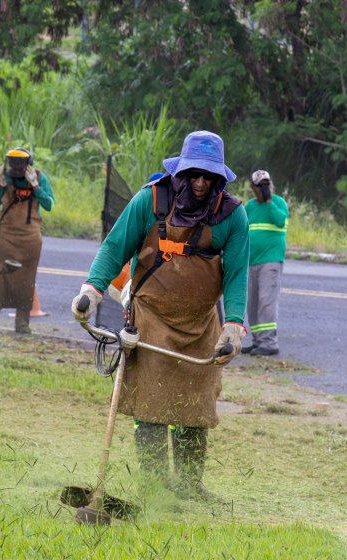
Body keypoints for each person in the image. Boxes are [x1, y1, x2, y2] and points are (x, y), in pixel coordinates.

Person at [71, 131, 249, 498]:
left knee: (195, 405)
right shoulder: (149, 201)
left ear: (219, 179)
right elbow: (114, 247)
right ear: (180, 173)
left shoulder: (233, 217)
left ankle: (188, 487)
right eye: (194, 175)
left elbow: (236, 275)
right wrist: (91, 289)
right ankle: (153, 485)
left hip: (201, 325)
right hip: (149, 317)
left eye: (208, 177)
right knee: (150, 403)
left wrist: (233, 325)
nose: (200, 183)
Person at [0, 148, 55, 334]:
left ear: (28, 163)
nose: (15, 166)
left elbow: (49, 205)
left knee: (26, 280)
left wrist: (36, 186)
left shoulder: (38, 177)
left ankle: (22, 324)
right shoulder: (5, 178)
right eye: (12, 162)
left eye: (19, 163)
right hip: (6, 237)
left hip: (30, 239)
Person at [242, 170, 288, 356]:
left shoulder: (278, 203)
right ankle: (258, 340)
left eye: (266, 184)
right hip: (252, 260)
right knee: (252, 303)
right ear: (253, 188)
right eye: (260, 185)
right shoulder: (250, 207)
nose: (263, 188)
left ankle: (269, 343)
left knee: (266, 301)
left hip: (271, 259)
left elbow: (279, 221)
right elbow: (241, 229)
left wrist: (269, 202)